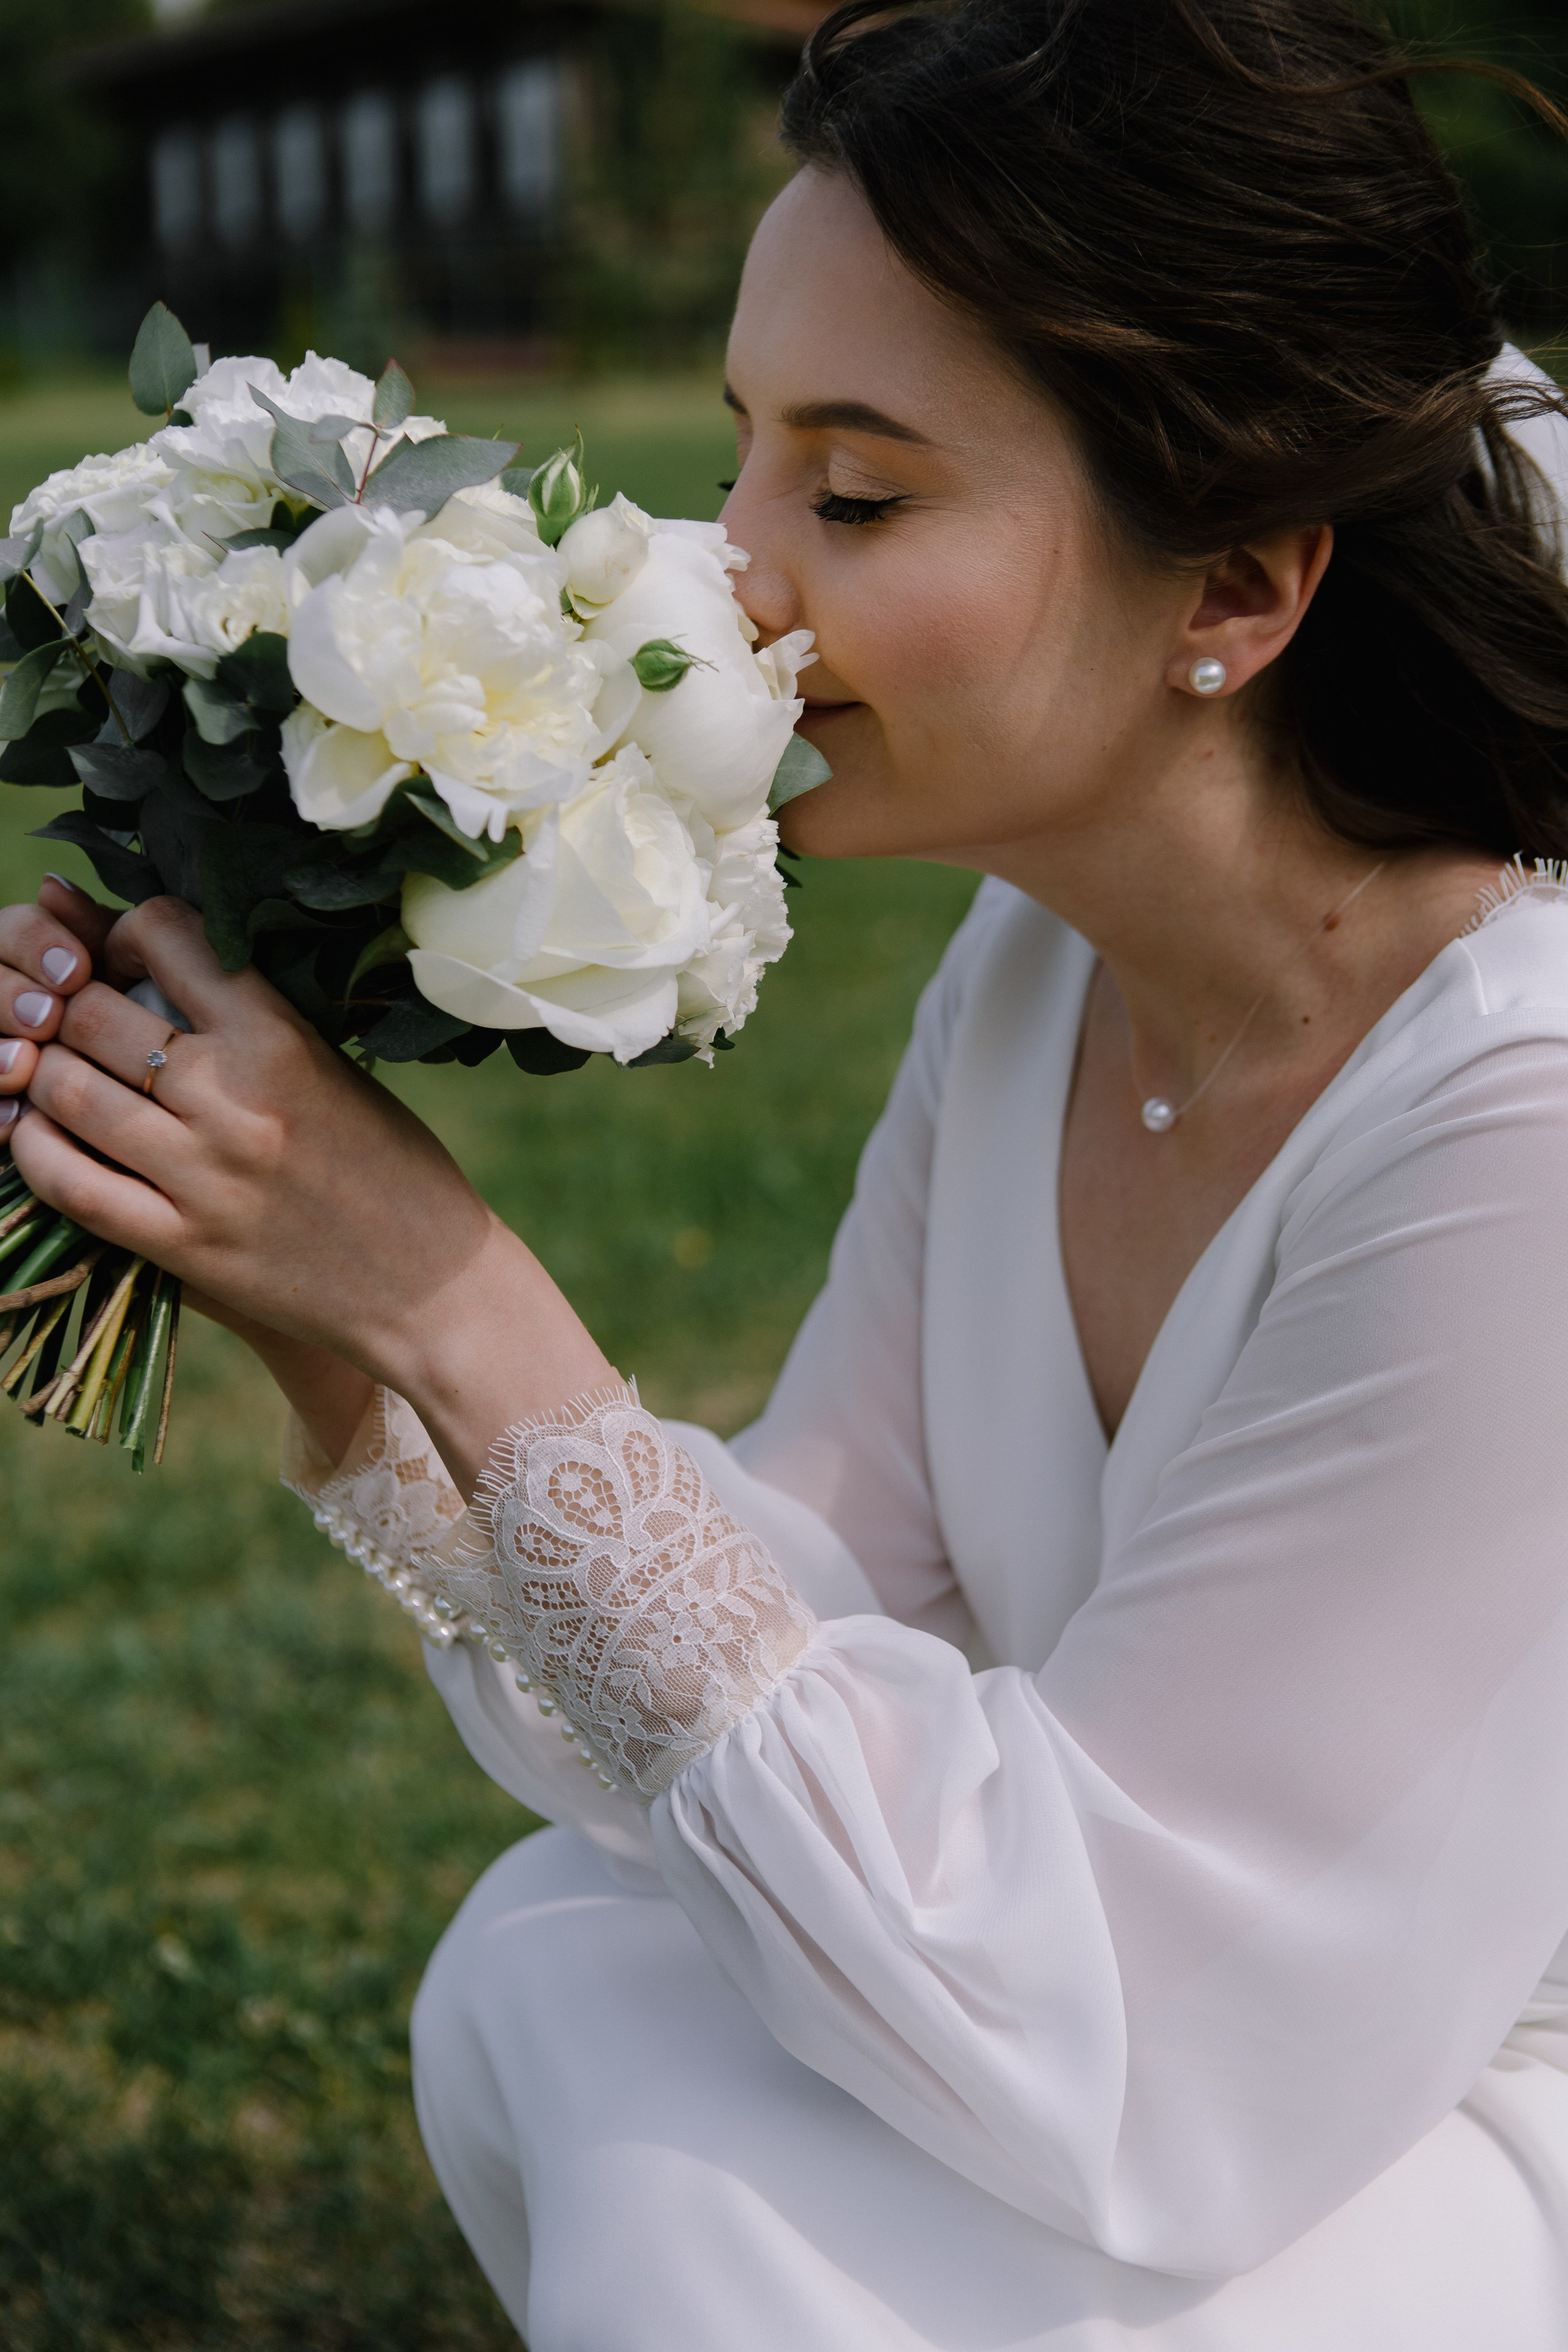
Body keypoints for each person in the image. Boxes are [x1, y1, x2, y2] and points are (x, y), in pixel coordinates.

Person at [6, 0, 1568, 2340]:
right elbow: (797, 1631)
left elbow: (1148, 2050)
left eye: (855, 497)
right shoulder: (1036, 983)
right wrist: (329, 1322)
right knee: (570, 1966)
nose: (721, 574)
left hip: (1403, 2114)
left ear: (1236, 591)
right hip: (1121, 2044)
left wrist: (455, 1298)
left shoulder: (1525, 1129)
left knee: (695, 2148)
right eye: (743, 450)